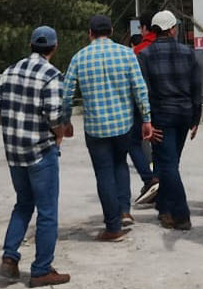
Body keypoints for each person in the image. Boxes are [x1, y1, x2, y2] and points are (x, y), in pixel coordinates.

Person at [0, 25, 70, 288]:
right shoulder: (51, 76)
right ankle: (41, 270)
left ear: (30, 46)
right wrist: (60, 133)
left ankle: (9, 259)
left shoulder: (10, 72)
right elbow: (56, 117)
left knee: (23, 204)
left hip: (14, 154)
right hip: (40, 152)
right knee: (47, 212)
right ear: (54, 48)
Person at [62, 14, 154, 243]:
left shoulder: (79, 58)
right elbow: (139, 89)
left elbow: (66, 94)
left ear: (90, 33)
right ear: (111, 31)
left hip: (95, 127)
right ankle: (124, 210)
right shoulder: (126, 54)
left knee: (104, 172)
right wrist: (146, 119)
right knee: (120, 164)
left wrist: (66, 121)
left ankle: (112, 226)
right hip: (123, 124)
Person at [138, 9, 203, 230]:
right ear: (173, 29)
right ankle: (164, 209)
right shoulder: (188, 53)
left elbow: (143, 91)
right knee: (171, 162)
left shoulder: (145, 55)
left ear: (154, 30)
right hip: (184, 113)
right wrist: (196, 116)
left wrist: (145, 121)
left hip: (160, 115)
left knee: (167, 164)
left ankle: (181, 213)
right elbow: (197, 87)